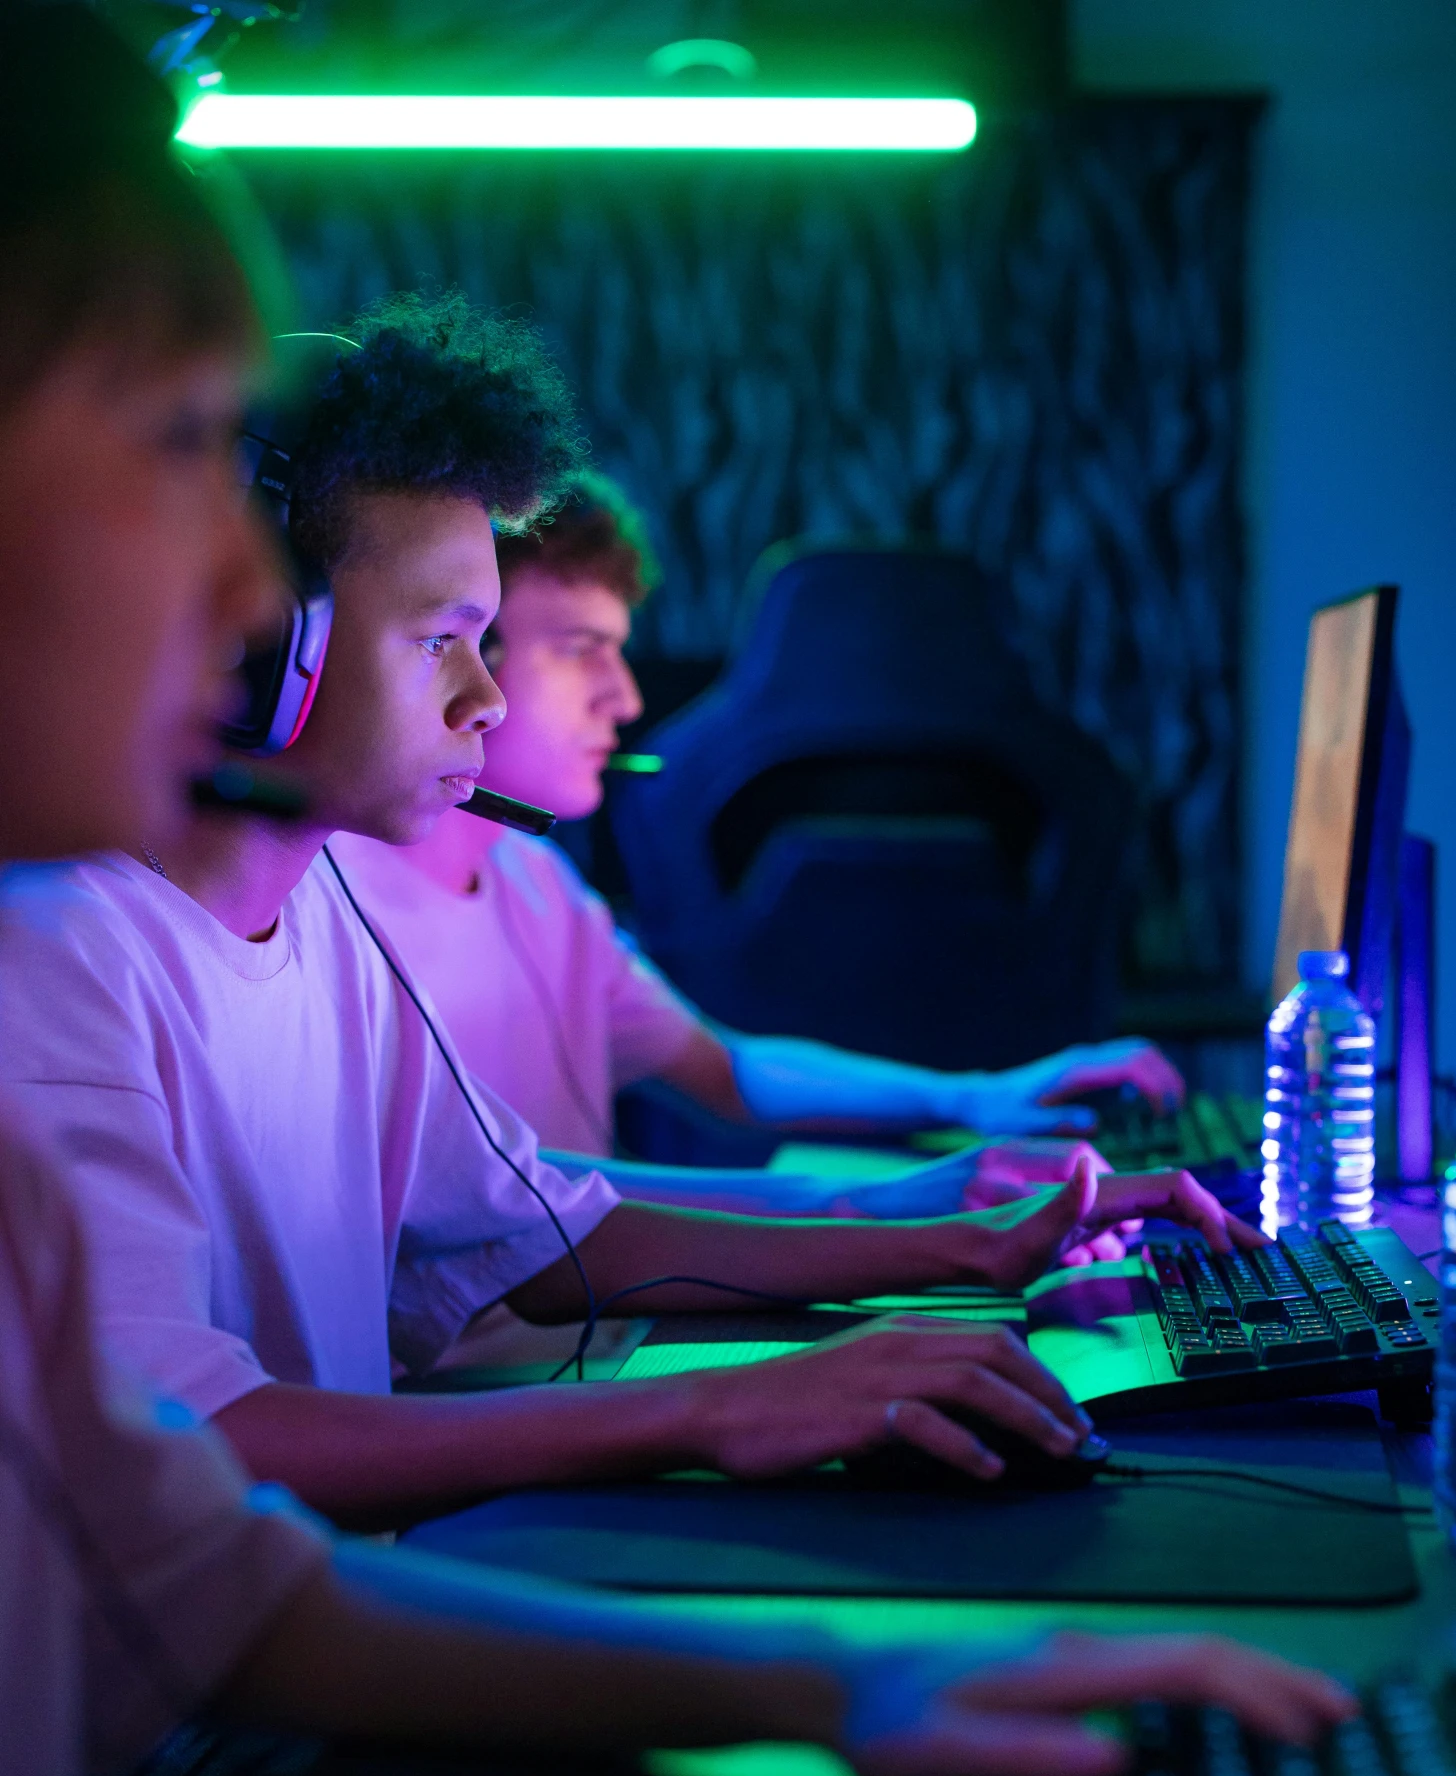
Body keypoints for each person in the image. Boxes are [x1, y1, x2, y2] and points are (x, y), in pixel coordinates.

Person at [0, 12, 1356, 1776]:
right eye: (176, 452)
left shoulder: (285, 936)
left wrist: (849, 1681)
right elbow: (243, 1495)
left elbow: (251, 1538)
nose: (233, 594)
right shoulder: (51, 976)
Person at [0, 295, 1261, 1524]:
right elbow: (192, 1443)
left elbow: (547, 1234)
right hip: (212, 1721)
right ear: (269, 648)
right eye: (442, 637)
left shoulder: (321, 912)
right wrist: (720, 1405)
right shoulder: (68, 954)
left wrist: (959, 1235)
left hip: (338, 1613)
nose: (484, 700)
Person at [334, 473, 1185, 1219]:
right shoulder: (342, 917)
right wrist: (891, 1206)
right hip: (489, 1395)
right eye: (578, 651)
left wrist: (978, 1096)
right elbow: (500, 1199)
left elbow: (726, 1070)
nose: (623, 699)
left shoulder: (536, 883)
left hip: (596, 1353)